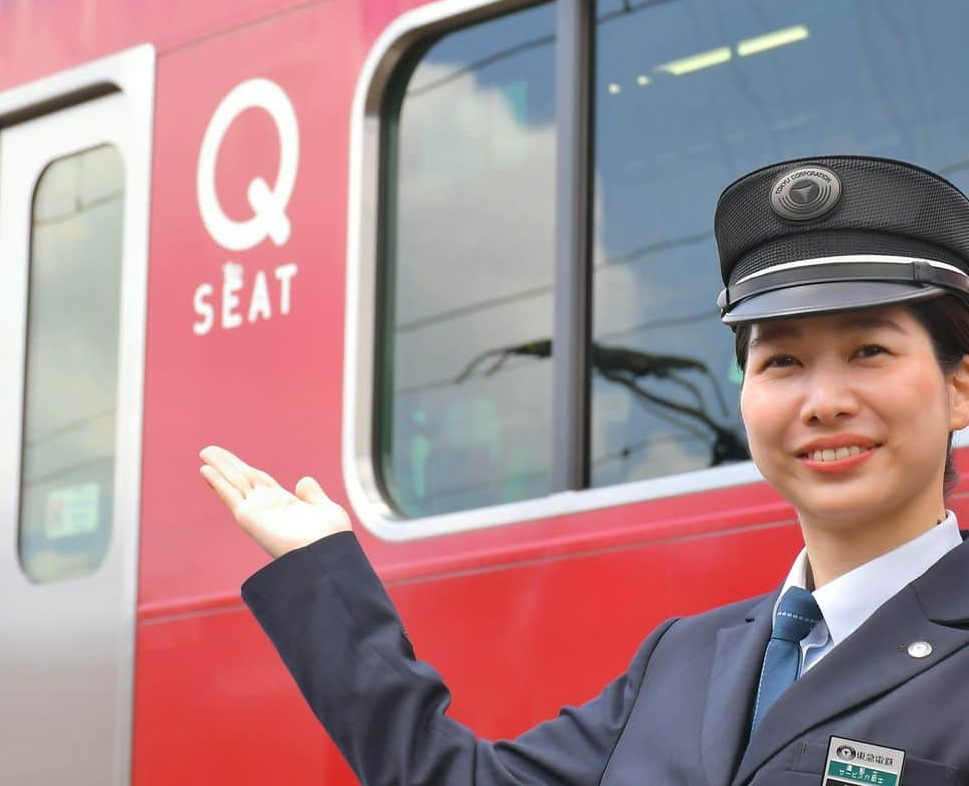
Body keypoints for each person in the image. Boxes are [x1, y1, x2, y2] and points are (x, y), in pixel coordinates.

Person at [200, 155, 969, 784]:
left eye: (869, 351)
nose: (823, 401)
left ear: (959, 387)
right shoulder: (684, 659)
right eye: (783, 361)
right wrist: (320, 576)